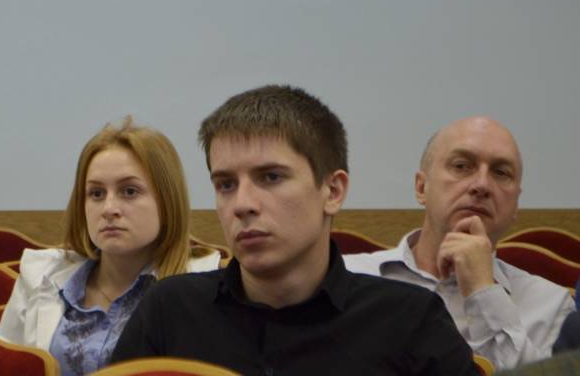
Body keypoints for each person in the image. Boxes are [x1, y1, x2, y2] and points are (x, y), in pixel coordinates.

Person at [111, 85, 476, 375]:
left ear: (332, 191)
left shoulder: (409, 320)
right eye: (225, 184)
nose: (242, 204)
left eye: (271, 177)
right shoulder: (170, 310)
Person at [344, 116, 575, 370]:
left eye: (501, 173)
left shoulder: (551, 305)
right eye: (461, 166)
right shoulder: (346, 276)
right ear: (421, 187)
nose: (482, 185)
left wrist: (483, 291)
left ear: (515, 206)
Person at [0, 118, 220, 375]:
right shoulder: (39, 275)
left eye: (129, 191)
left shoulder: (206, 287)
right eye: (96, 194)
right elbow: (1, 366)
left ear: (167, 201)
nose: (109, 209)